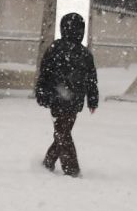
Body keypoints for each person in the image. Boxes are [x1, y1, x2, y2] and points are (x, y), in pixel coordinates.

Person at [35, 12, 99, 176]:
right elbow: (91, 80)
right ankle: (67, 168)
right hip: (72, 100)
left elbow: (45, 73)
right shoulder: (84, 53)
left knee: (62, 132)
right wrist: (92, 99)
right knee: (63, 132)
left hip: (58, 98)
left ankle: (53, 164)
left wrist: (42, 92)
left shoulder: (55, 48)